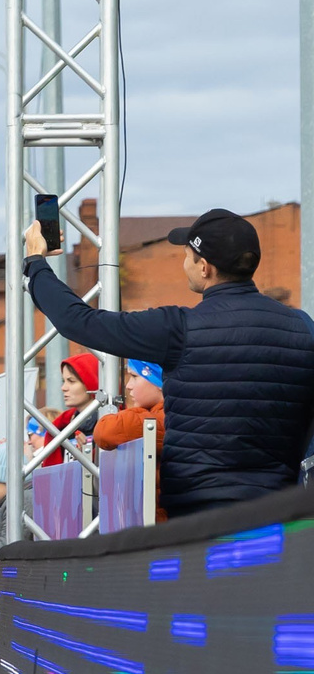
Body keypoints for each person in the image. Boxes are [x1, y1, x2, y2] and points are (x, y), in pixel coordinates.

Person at [24, 208, 314, 515]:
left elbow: (79, 322)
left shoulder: (179, 328)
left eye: (188, 255)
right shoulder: (302, 326)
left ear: (205, 268)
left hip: (199, 517)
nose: (184, 262)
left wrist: (36, 264)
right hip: (281, 513)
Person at [94, 359, 166, 452]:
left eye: (134, 376)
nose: (128, 385)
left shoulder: (165, 418)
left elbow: (105, 431)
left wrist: (137, 411)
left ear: (160, 381)